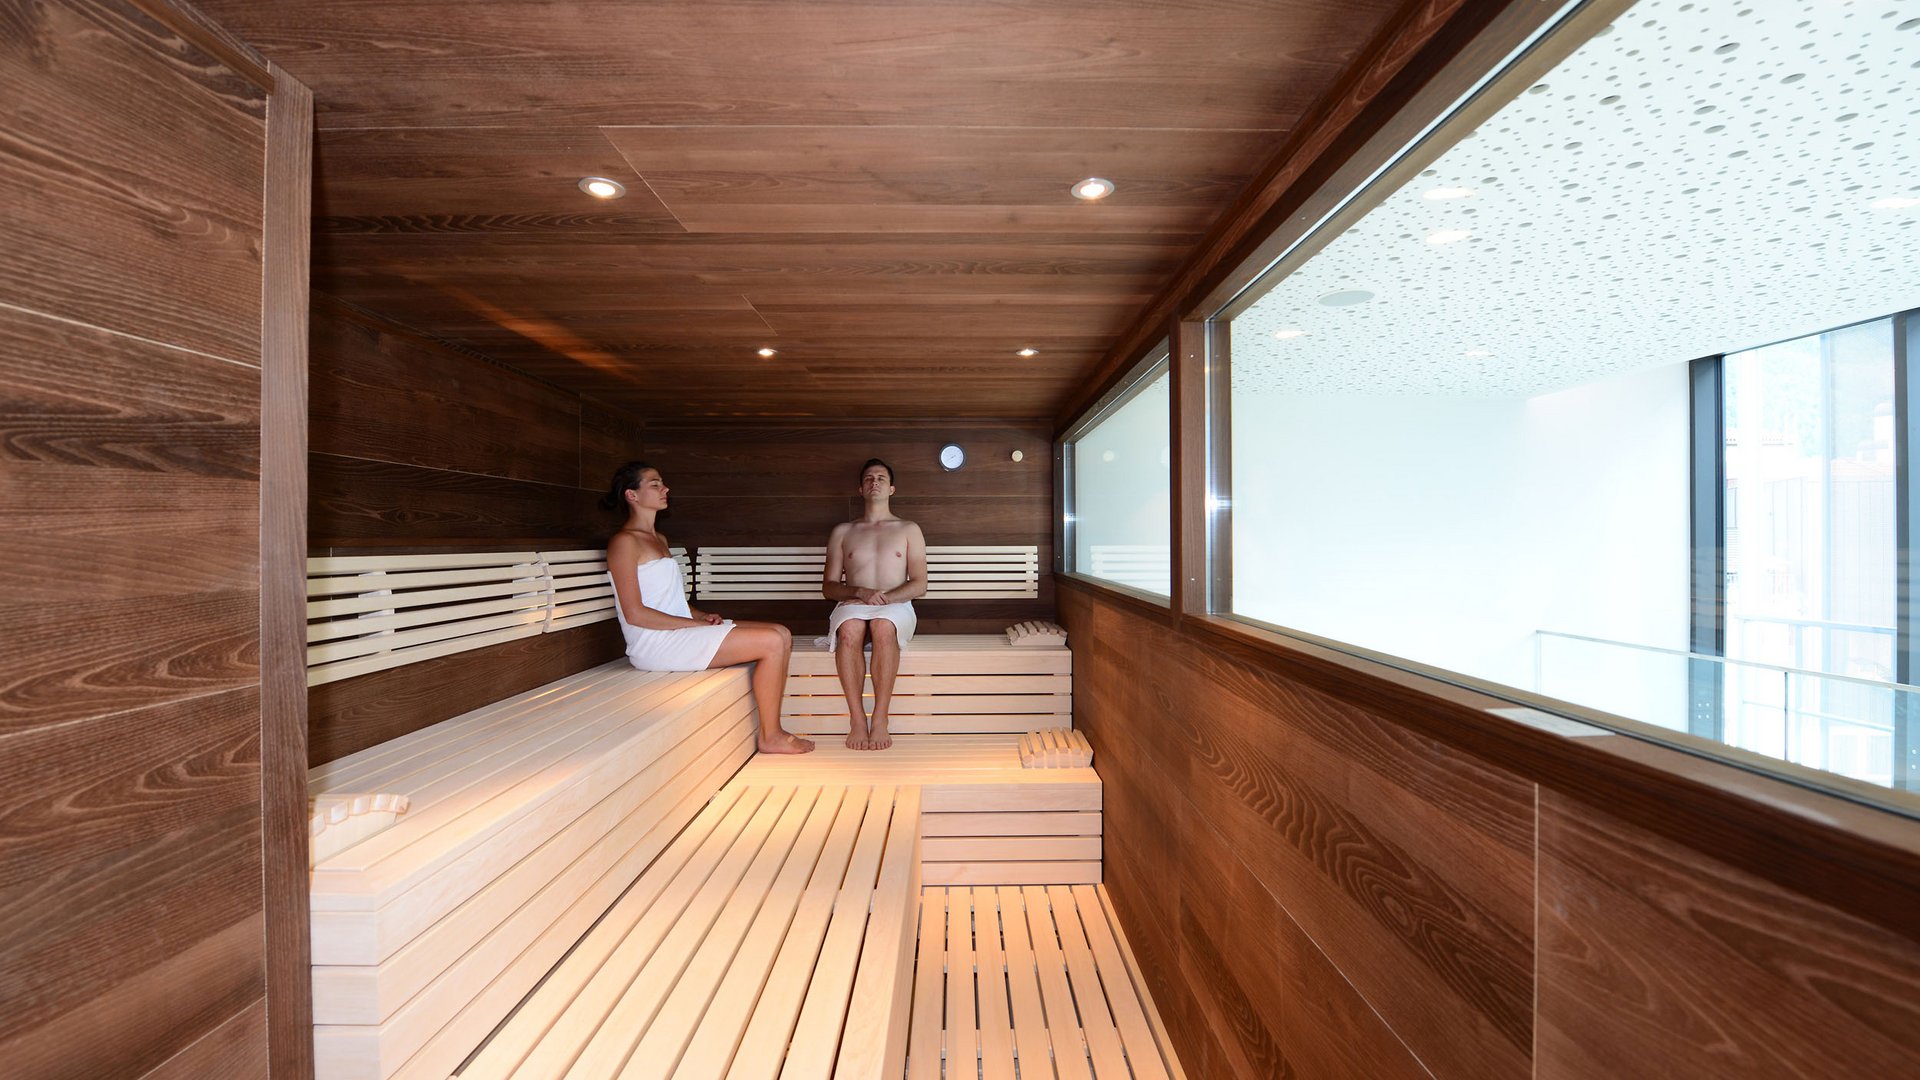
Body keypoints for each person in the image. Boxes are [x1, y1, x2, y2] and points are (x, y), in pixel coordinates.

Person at [602, 461, 813, 754]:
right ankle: (771, 735)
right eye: (654, 484)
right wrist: (695, 626)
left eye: (662, 483)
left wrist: (701, 616)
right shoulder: (623, 543)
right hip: (653, 643)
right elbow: (635, 613)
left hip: (678, 633)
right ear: (631, 495)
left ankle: (771, 729)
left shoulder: (658, 540)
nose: (665, 489)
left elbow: (668, 599)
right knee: (772, 641)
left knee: (781, 632)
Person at [822, 458, 927, 750]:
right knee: (850, 631)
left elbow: (920, 584)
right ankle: (857, 719)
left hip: (897, 605)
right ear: (860, 488)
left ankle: (880, 717)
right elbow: (829, 587)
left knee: (883, 626)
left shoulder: (909, 529)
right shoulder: (843, 531)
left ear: (891, 488)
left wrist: (887, 597)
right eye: (869, 478)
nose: (875, 481)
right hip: (854, 602)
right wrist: (859, 592)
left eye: (881, 477)